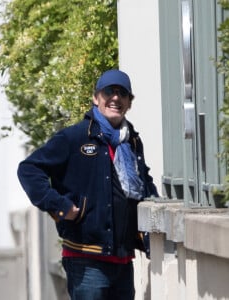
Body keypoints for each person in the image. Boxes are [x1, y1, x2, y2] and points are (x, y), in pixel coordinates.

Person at [17, 69, 158, 300]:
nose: (115, 98)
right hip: (85, 259)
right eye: (109, 92)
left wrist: (149, 227)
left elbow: (143, 183)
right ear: (96, 98)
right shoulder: (76, 137)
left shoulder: (131, 141)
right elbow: (29, 169)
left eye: (122, 93)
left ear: (129, 103)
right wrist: (61, 206)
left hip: (123, 260)